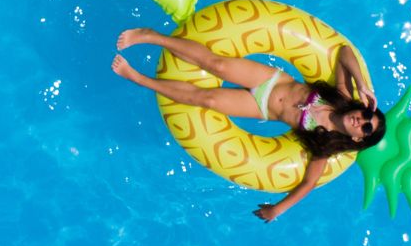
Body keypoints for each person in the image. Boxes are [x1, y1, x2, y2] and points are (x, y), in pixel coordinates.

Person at [110, 26, 386, 223]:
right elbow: (346, 53)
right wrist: (361, 84)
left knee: (207, 99)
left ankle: (139, 79)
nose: (361, 120)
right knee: (215, 64)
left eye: (365, 128)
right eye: (366, 116)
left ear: (359, 139)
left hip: (263, 108)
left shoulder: (325, 146)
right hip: (271, 80)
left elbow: (309, 183)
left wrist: (277, 210)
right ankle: (151, 36)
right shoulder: (341, 97)